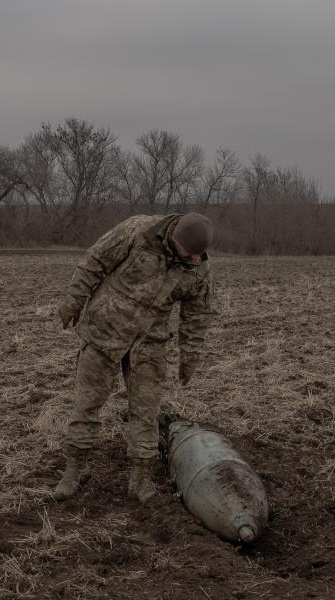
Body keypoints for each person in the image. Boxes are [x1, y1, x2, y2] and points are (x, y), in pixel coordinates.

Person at [54, 213, 215, 503]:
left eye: (197, 255)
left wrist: (190, 356)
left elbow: (197, 315)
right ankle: (75, 470)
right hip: (105, 330)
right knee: (87, 404)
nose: (193, 260)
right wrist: (72, 301)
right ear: (174, 238)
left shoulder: (198, 268)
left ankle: (140, 480)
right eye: (188, 253)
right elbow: (95, 261)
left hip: (149, 343)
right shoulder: (137, 231)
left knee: (146, 413)